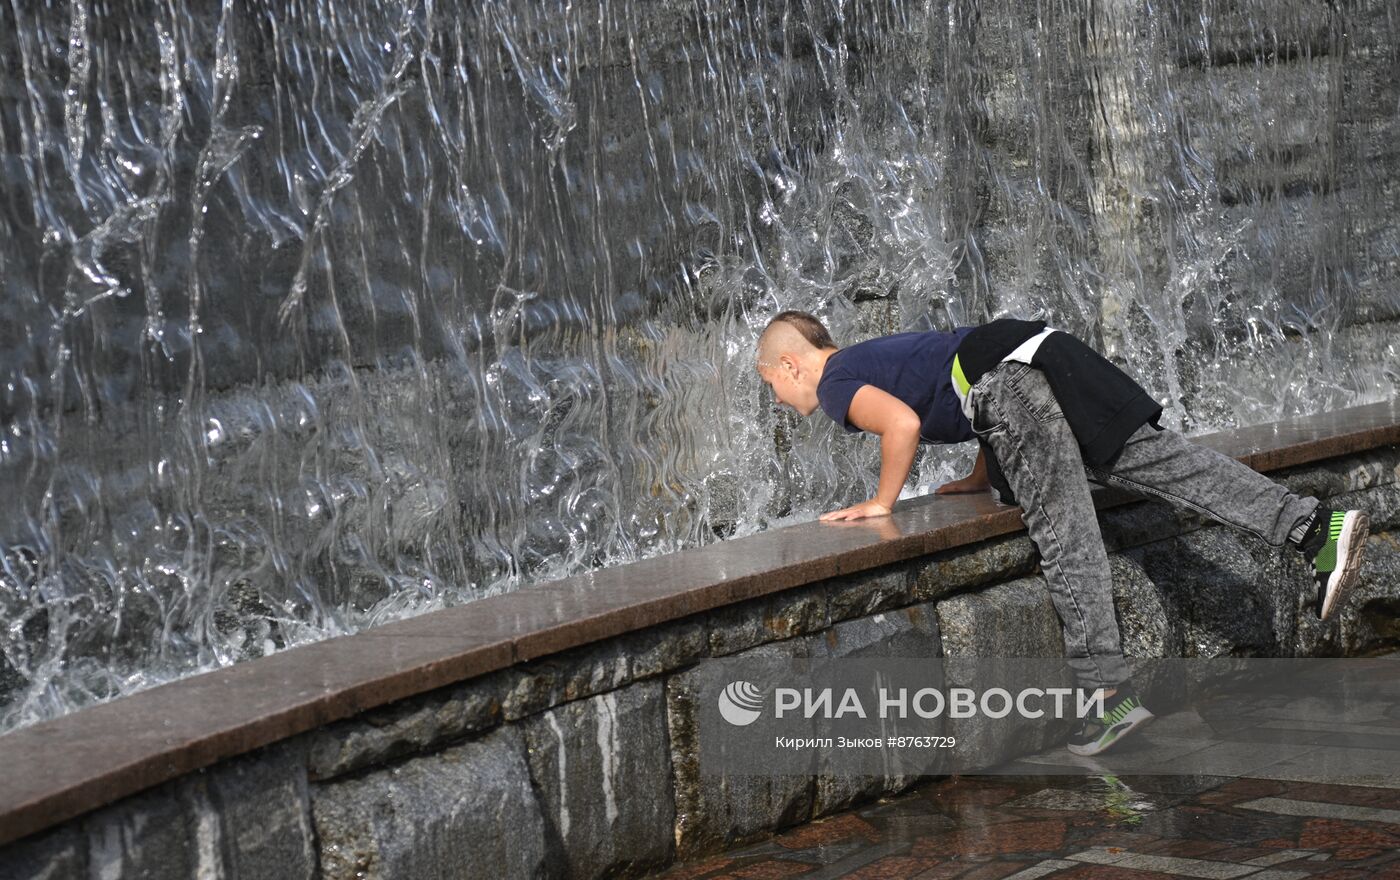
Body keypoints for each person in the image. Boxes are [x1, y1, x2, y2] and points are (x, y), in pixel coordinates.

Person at [755, 310, 1371, 756]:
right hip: (1040, 352)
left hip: (1011, 382)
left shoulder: (836, 382)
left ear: (791, 363)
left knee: (1064, 535)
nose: (778, 400)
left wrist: (879, 503)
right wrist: (980, 477)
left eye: (771, 385)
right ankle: (1314, 526)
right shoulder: (877, 354)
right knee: (1167, 463)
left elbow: (905, 422)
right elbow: (964, 386)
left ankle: (1107, 697)